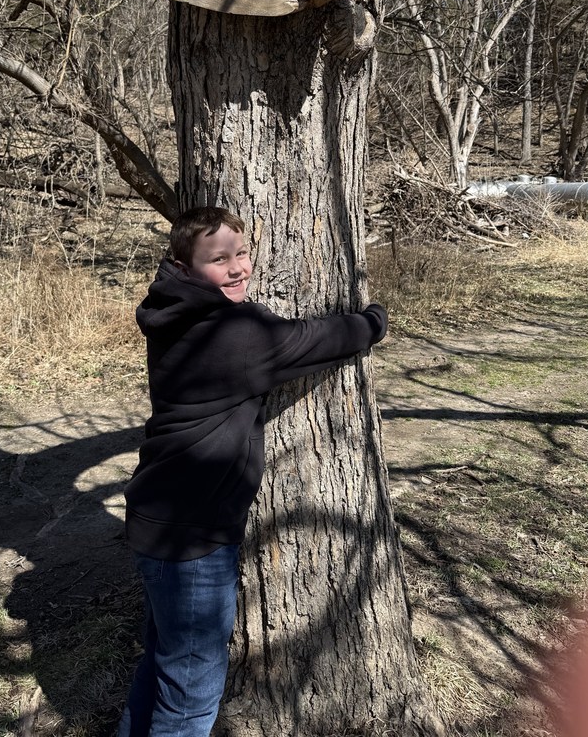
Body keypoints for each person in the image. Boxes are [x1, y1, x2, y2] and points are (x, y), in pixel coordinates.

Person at [118, 206, 388, 737]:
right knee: (191, 698)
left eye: (242, 253)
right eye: (219, 260)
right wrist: (375, 318)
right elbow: (322, 338)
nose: (238, 267)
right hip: (191, 536)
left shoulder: (172, 309)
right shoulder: (233, 332)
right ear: (186, 264)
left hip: (157, 518)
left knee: (163, 664)